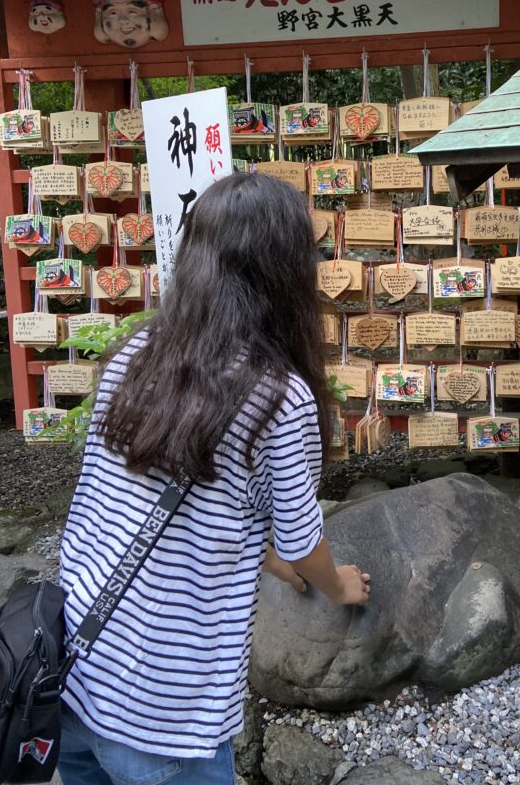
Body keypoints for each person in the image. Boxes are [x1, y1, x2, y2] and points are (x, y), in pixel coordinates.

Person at [57, 172, 370, 785]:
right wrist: (339, 589)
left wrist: (273, 564)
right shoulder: (277, 396)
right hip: (164, 712)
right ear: (284, 271)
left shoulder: (136, 353)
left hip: (73, 675)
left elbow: (191, 504)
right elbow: (304, 542)